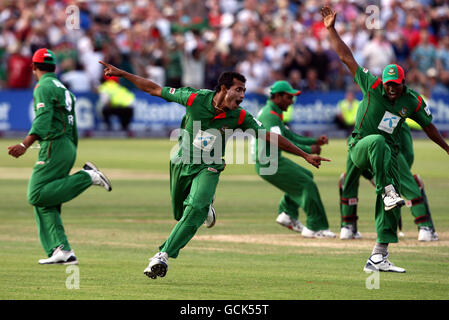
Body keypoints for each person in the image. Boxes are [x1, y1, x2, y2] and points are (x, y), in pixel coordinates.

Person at [98, 61, 330, 280]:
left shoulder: (240, 116)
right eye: (238, 89)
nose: (242, 96)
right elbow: (155, 89)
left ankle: (162, 256)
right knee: (182, 215)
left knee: (195, 209)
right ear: (223, 88)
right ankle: (204, 207)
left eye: (244, 91)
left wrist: (305, 154)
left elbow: (270, 136)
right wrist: (123, 74)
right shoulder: (195, 99)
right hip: (182, 162)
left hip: (210, 166)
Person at [322, 6, 449, 273]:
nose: (391, 89)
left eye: (395, 85)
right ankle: (373, 205)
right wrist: (331, 29)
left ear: (403, 83)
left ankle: (379, 256)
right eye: (388, 84)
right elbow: (346, 56)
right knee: (378, 147)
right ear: (383, 82)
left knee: (391, 202)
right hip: (360, 145)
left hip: (386, 155)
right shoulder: (371, 83)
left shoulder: (411, 100)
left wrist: (447, 149)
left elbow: (429, 127)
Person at [7, 48, 112, 265]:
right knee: (46, 201)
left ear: (33, 67)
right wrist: (70, 148)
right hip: (66, 144)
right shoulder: (63, 88)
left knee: (36, 194)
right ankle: (61, 250)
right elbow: (71, 123)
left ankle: (87, 177)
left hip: (54, 144)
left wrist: (24, 144)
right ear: (54, 67)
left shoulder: (43, 87)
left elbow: (43, 119)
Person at [254, 80, 335, 238]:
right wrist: (307, 153)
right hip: (268, 163)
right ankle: (315, 227)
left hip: (270, 161)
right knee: (306, 184)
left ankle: (287, 213)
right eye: (289, 98)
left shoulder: (273, 112)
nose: (291, 102)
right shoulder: (269, 116)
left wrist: (314, 142)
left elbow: (289, 136)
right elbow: (280, 142)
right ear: (277, 97)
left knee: (307, 176)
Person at [339, 121, 439, 242]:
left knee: (349, 181)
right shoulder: (399, 119)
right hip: (385, 148)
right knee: (410, 185)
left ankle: (347, 228)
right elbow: (408, 154)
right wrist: (399, 176)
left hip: (356, 144)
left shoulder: (368, 111)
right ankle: (425, 228)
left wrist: (372, 176)